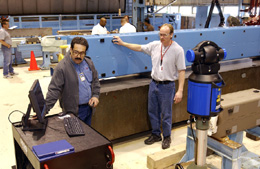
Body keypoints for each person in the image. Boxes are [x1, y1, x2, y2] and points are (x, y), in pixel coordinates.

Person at [113, 24, 186, 149]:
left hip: (167, 86)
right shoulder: (154, 45)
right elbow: (139, 47)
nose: (162, 37)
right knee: (152, 111)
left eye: (164, 35)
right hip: (154, 84)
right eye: (160, 34)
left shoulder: (177, 50)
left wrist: (180, 91)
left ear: (171, 35)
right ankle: (156, 134)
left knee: (166, 113)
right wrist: (123, 43)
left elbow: (182, 71)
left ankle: (167, 137)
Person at [45, 37, 100, 126]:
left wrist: (95, 96)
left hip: (89, 108)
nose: (78, 56)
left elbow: (95, 81)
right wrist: (44, 110)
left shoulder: (88, 62)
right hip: (74, 112)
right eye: (76, 52)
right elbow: (54, 90)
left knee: (88, 136)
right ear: (70, 50)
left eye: (82, 53)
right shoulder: (62, 67)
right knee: (76, 138)